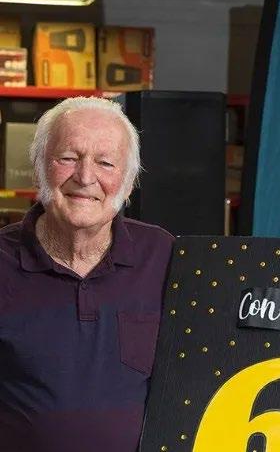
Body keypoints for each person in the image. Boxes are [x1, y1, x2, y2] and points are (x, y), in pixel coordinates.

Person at [0, 97, 174, 452]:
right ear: (38, 168)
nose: (85, 177)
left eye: (105, 163)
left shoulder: (163, 256)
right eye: (68, 158)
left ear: (128, 183)